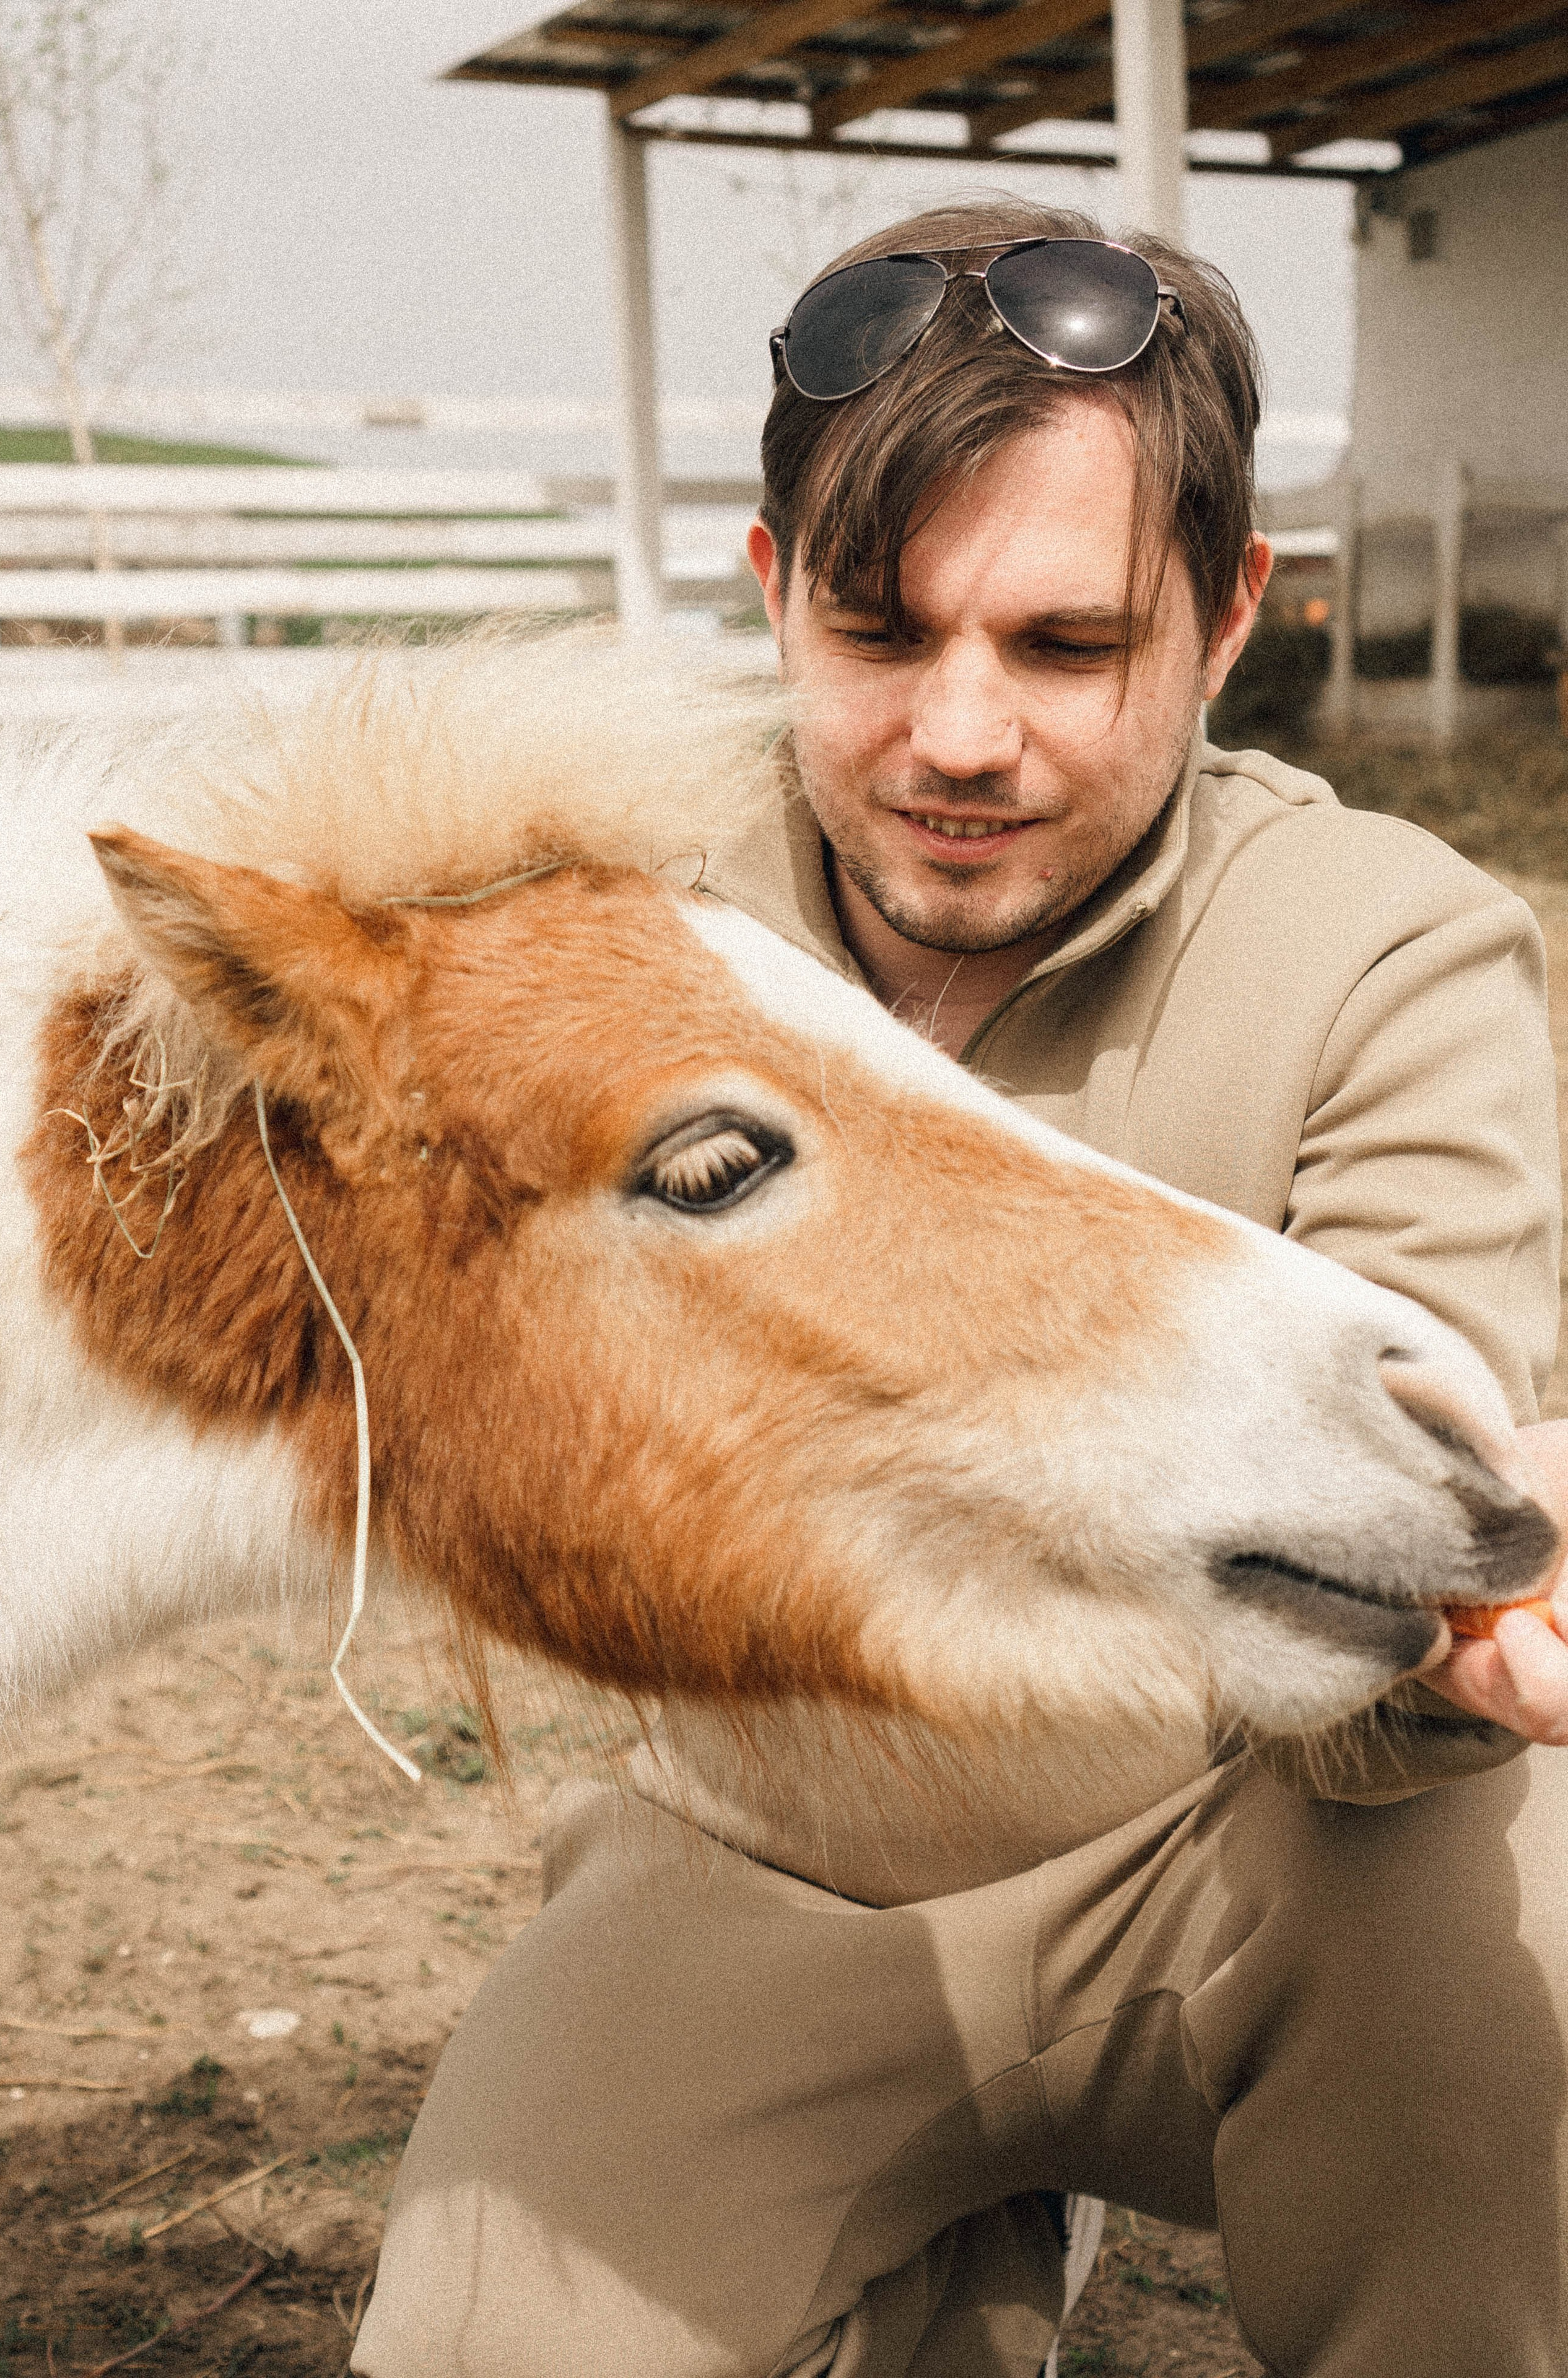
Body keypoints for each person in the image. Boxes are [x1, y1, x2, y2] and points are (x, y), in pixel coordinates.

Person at [354, 201, 1568, 2378]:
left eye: (1069, 646)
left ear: (1227, 623)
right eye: (880, 628)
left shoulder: (1395, 946)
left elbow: (1428, 1538)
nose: (960, 733)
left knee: (1530, 1923)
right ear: (768, 594)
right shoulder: (613, 936)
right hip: (763, 1867)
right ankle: (947, 2242)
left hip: (1248, 1857)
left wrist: (1462, 1627)